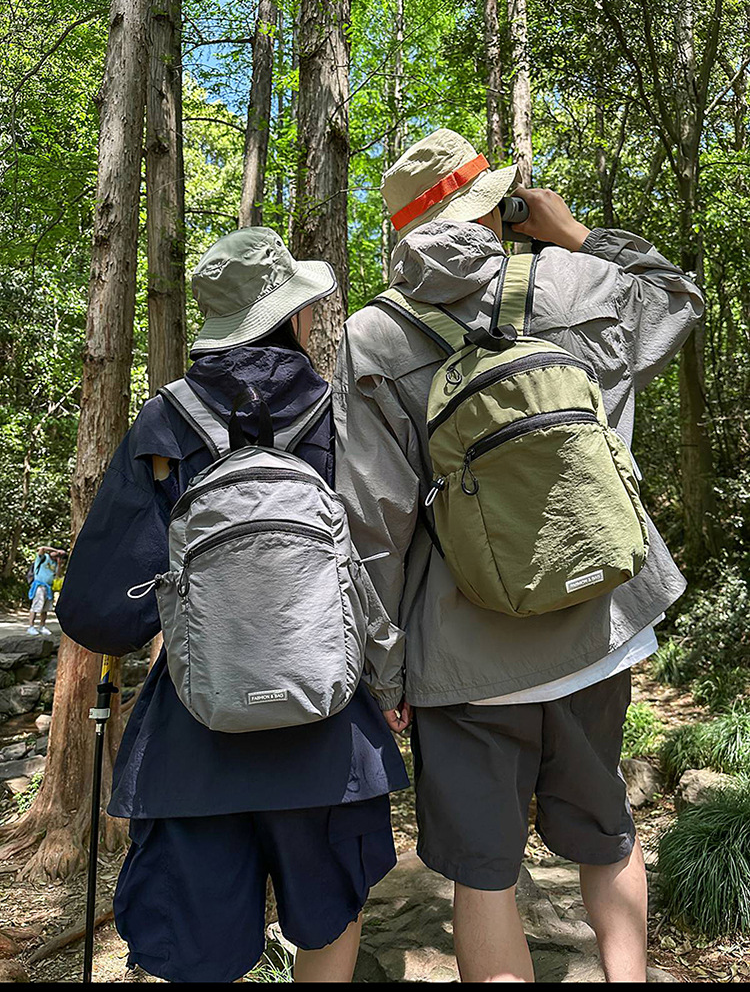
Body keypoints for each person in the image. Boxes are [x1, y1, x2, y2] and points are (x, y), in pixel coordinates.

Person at [333, 128, 704, 983]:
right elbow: (677, 300)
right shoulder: (575, 282)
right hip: (599, 623)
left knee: (484, 874)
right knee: (608, 834)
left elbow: (374, 525)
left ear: (403, 230)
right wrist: (574, 232)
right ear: (494, 207)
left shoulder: (373, 337)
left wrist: (385, 671)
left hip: (465, 656)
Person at [57, 227, 409, 984]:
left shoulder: (164, 424)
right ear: (293, 316)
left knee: (199, 954)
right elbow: (383, 558)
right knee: (330, 920)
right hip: (330, 738)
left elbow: (97, 612)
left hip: (194, 748)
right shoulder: (342, 415)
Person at [27, 546, 64, 635]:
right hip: (40, 586)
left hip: (49, 587)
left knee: (45, 609)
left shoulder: (56, 563)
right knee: (36, 606)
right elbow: (42, 548)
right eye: (56, 554)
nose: (57, 555)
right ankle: (31, 627)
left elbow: (57, 575)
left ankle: (42, 626)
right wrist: (56, 550)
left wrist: (59, 564)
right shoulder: (44, 557)